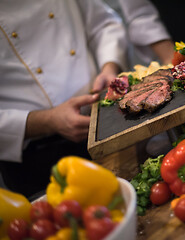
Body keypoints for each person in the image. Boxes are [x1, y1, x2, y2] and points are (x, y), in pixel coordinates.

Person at [0, 0, 173, 198]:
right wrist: (47, 120)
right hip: (34, 159)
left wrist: (109, 68)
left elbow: (104, 25)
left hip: (104, 123)